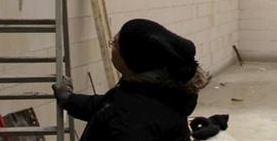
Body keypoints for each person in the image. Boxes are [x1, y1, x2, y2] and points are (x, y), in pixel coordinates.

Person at [52, 19, 209, 141]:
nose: (112, 45)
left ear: (133, 61)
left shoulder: (133, 123)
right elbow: (106, 106)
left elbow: (117, 112)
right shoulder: (152, 91)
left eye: (115, 43)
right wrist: (69, 99)